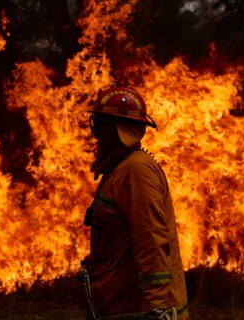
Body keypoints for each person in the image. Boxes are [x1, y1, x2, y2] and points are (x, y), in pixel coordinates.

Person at [79, 87, 189, 320]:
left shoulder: (136, 170)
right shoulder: (120, 168)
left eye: (99, 123)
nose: (95, 132)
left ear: (116, 127)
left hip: (138, 310)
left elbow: (151, 240)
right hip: (121, 306)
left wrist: (156, 308)